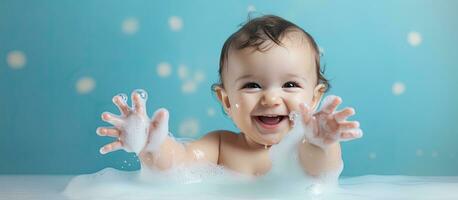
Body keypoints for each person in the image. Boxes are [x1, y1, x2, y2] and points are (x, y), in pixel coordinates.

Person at [96, 15, 363, 177]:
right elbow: (178, 163)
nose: (271, 98)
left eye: (290, 84)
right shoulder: (221, 146)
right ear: (226, 100)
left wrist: (322, 143)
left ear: (315, 98)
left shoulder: (304, 148)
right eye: (252, 86)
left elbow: (321, 169)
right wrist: (151, 145)